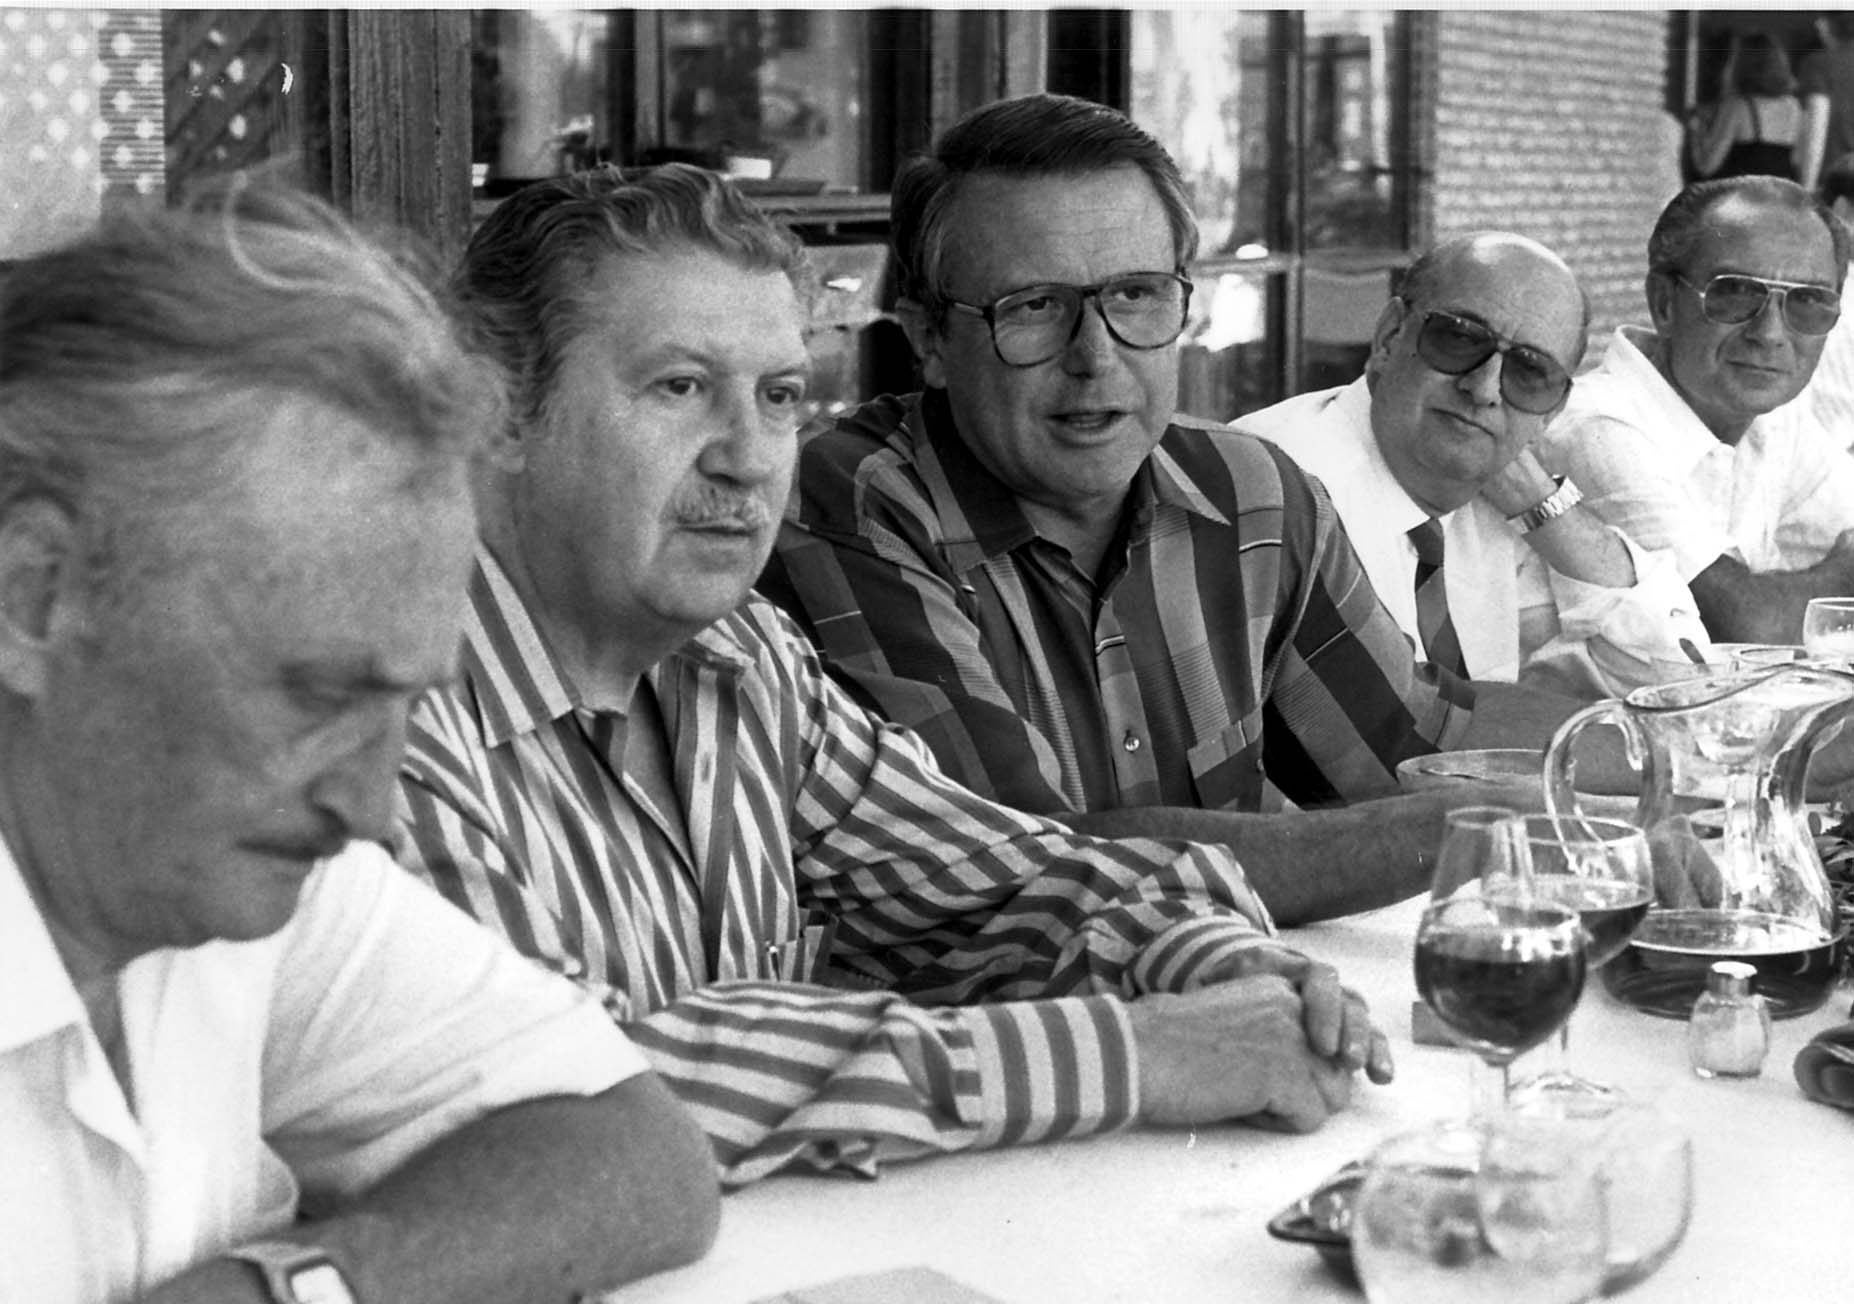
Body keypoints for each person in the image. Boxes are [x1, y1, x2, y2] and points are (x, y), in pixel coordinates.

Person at [392, 162, 1393, 1193]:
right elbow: (583, 1094)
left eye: (778, 396)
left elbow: (1003, 881)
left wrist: (1221, 965)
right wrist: (1140, 1052)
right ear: (500, 409)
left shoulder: (743, 660)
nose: (747, 458)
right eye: (680, 387)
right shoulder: (379, 702)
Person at [0, 184, 719, 1303]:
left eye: (405, 706)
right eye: (323, 691)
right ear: (36, 595)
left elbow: (635, 1147)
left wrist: (282, 1288)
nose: (372, 808)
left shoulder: (200, 859)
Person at [761, 93, 1579, 928]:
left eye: (1138, 295)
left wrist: (1664, 747)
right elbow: (1022, 869)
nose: (1096, 356)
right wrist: (1468, 830)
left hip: (1243, 1006)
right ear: (930, 340)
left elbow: (1411, 737)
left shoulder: (1250, 493)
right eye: (1034, 307)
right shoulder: (851, 506)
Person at [1239, 232, 1707, 699]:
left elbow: (1674, 681)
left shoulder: (1487, 502)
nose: (1484, 389)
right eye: (1460, 340)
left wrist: (1540, 501)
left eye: (1530, 373)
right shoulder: (1272, 489)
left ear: (1553, 411)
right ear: (1388, 338)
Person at [1540, 175, 1854, 646]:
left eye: (1808, 303)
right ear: (1664, 303)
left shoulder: (1772, 415)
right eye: (1736, 293)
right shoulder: (1599, 429)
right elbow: (1746, 628)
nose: (1770, 333)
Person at [1688, 32, 1805, 182]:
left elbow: (1706, 166)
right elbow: (1798, 162)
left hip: (1744, 200)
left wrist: (1696, 131)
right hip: (1782, 200)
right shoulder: (1793, 107)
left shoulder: (1738, 107)